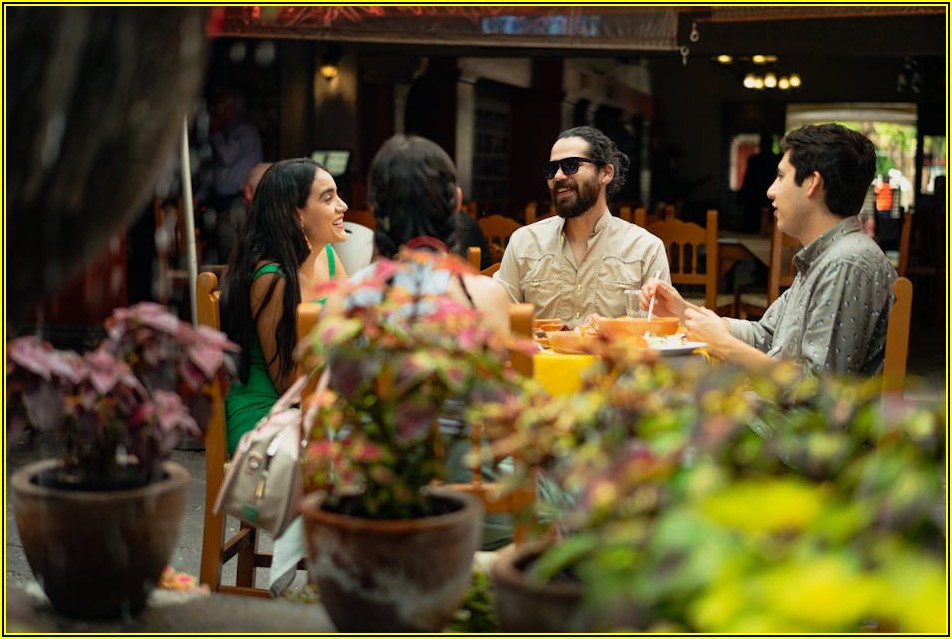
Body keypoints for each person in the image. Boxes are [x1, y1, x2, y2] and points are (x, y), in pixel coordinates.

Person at [641, 123, 896, 376]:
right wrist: (682, 311)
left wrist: (724, 346)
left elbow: (818, 390)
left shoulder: (846, 263)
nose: (770, 191)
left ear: (812, 183)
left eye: (781, 177)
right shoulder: (825, 256)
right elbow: (766, 335)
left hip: (785, 417)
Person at [494, 125, 670, 326]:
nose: (558, 176)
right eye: (552, 169)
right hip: (541, 357)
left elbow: (658, 332)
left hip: (611, 357)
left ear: (606, 173)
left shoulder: (645, 249)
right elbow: (500, 320)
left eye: (571, 165)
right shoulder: (523, 243)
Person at [207, 89, 263, 262]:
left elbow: (226, 156)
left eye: (218, 109)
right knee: (225, 248)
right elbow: (215, 168)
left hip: (238, 201)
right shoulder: (227, 131)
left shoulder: (244, 130)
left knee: (234, 251)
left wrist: (214, 131)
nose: (213, 114)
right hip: (223, 202)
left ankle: (234, 287)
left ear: (230, 111)